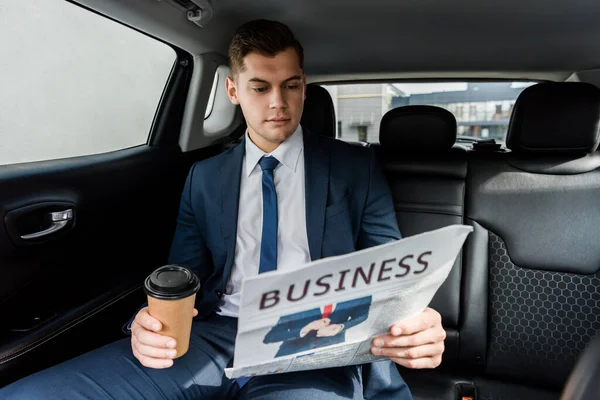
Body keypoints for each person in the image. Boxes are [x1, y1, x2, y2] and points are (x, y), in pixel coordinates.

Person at [0, 19, 445, 399]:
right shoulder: (205, 177)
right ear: (233, 90)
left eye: (291, 85)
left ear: (303, 87)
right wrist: (148, 320)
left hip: (313, 341)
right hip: (212, 337)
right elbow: (181, 274)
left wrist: (413, 321)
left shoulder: (355, 167)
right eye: (260, 87)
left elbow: (391, 273)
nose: (278, 103)